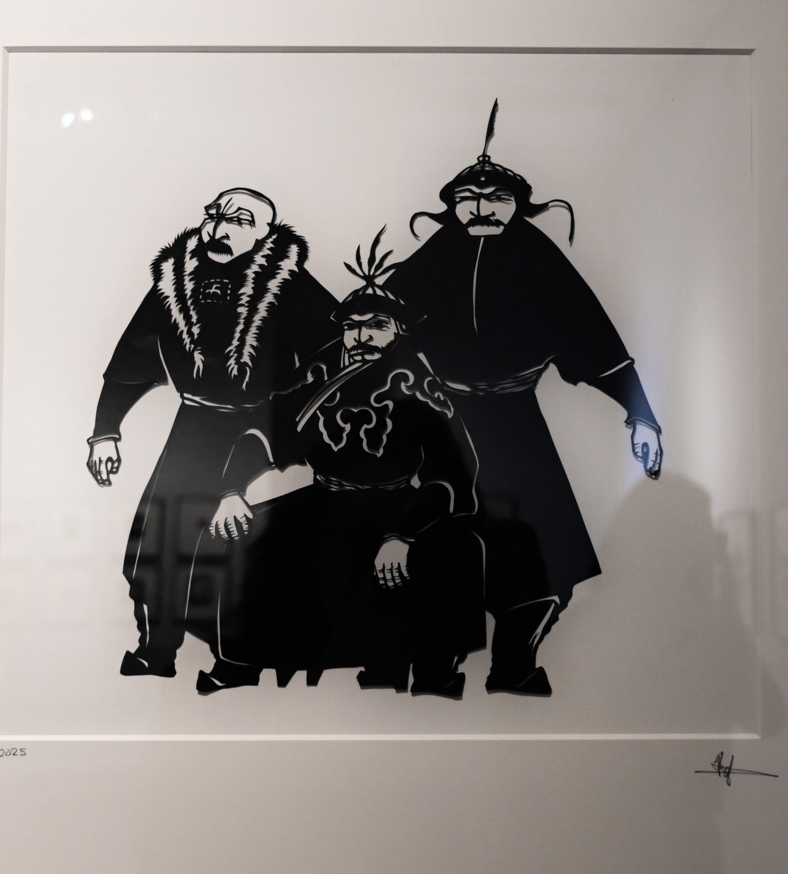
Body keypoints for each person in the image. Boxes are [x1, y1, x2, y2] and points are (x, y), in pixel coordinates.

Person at [383, 103, 662, 696]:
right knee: (436, 543)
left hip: (517, 427)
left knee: (541, 553)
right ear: (452, 205)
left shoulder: (539, 259)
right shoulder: (433, 258)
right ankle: (435, 670)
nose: (481, 208)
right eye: (468, 199)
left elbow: (592, 338)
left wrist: (639, 413)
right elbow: (379, 328)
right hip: (444, 426)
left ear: (518, 204)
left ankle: (514, 664)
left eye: (497, 198)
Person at [201, 232, 484, 699]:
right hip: (326, 497)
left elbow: (448, 477)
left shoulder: (421, 389)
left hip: (401, 506)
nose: (361, 336)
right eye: (352, 327)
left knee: (447, 554)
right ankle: (239, 664)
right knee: (253, 542)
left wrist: (402, 534)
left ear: (399, 332)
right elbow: (260, 433)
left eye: (376, 326)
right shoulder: (317, 378)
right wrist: (231, 491)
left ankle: (431, 675)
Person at [86, 188, 335, 679]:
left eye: (239, 220)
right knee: (157, 543)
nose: (220, 229)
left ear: (265, 234)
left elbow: (329, 356)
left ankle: (237, 662)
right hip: (194, 427)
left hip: (265, 429)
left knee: (241, 546)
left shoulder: (289, 282)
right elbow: (132, 358)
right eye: (215, 216)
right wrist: (105, 432)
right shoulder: (176, 280)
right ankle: (157, 651)